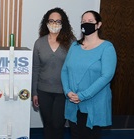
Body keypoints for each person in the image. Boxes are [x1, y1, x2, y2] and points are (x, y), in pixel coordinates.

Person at [61, 10, 117, 139]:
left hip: (94, 103)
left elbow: (107, 76)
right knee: (75, 135)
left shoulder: (107, 47)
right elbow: (65, 70)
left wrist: (83, 95)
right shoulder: (75, 46)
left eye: (90, 21)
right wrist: (67, 91)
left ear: (98, 25)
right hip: (73, 101)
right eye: (83, 21)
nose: (86, 24)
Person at [32, 7, 75, 139]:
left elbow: (74, 68)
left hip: (63, 92)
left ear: (63, 24)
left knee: (58, 126)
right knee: (48, 125)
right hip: (43, 91)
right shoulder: (39, 43)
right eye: (51, 20)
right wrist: (34, 92)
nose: (54, 24)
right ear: (46, 22)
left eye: (58, 21)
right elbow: (35, 68)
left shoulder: (71, 43)